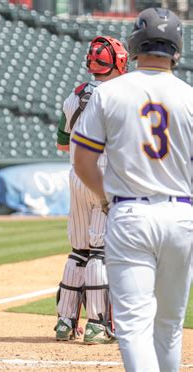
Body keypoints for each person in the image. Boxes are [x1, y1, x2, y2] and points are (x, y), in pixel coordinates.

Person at [72, 7, 192, 371]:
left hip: (130, 213)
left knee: (134, 327)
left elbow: (83, 161)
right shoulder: (189, 96)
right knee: (169, 327)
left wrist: (106, 199)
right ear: (176, 48)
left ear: (135, 44)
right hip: (181, 214)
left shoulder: (110, 92)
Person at [55, 35, 128, 344]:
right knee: (100, 250)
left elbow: (61, 143)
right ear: (119, 62)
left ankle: (64, 323)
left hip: (76, 174)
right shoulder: (122, 95)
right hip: (104, 177)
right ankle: (98, 324)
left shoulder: (74, 97)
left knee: (79, 250)